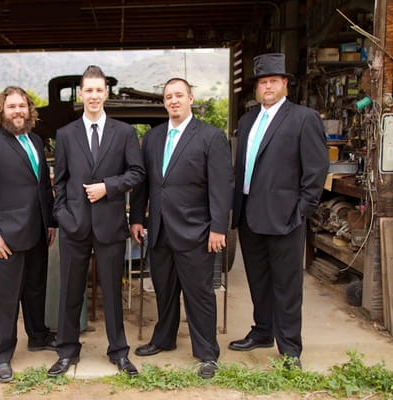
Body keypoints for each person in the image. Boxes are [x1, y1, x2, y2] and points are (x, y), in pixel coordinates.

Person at [229, 53, 329, 368]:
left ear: (285, 83)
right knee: (258, 280)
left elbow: (316, 169)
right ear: (257, 88)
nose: (267, 87)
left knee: (286, 285)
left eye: (273, 81)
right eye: (262, 82)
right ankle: (262, 331)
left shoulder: (303, 118)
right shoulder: (247, 120)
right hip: (249, 215)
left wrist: (301, 210)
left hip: (285, 217)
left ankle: (290, 350)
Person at [129, 77, 233, 379]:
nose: (173, 101)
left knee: (199, 293)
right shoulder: (153, 138)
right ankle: (164, 339)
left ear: (190, 98)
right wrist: (137, 217)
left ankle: (206, 354)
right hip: (159, 230)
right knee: (164, 290)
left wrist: (218, 228)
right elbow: (144, 183)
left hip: (197, 232)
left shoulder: (211, 137)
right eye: (168, 97)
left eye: (178, 95)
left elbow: (221, 186)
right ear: (164, 103)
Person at [48, 65, 145, 377]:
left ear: (106, 93)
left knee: (113, 296)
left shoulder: (125, 132)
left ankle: (118, 352)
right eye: (87, 90)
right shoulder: (65, 134)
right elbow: (59, 181)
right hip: (74, 226)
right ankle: (66, 352)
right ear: (81, 94)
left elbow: (137, 173)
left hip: (110, 225)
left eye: (98, 90)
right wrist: (62, 216)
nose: (93, 95)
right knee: (70, 293)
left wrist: (109, 187)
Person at [0, 86, 57, 383]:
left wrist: (51, 222)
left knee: (35, 289)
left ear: (29, 110)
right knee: (5, 297)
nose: (18, 111)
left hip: (37, 231)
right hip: (4, 236)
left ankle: (38, 335)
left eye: (22, 106)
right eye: (12, 107)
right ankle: (1, 355)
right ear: (1, 111)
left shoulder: (35, 140)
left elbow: (43, 186)